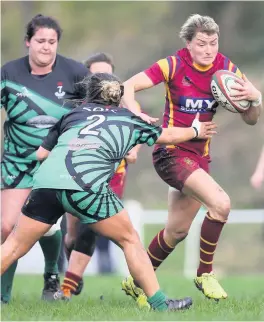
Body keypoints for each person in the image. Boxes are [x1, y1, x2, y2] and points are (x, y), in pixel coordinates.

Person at [0, 72, 216, 311]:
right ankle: (160, 304)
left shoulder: (72, 114)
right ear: (118, 97)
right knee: (130, 240)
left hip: (47, 184)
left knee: (13, 246)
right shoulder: (129, 118)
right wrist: (195, 131)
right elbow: (167, 136)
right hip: (86, 186)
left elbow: (41, 154)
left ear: (88, 94)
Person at [120, 13, 263, 306]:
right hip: (170, 153)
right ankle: (204, 273)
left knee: (176, 231)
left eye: (213, 42)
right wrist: (136, 114)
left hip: (200, 157)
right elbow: (127, 87)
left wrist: (255, 98)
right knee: (221, 204)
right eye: (201, 43)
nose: (209, 49)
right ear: (188, 43)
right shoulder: (172, 65)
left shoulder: (227, 68)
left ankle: (137, 283)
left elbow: (250, 119)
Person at [0, 14, 88, 303]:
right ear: (28, 42)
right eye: (40, 41)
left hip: (55, 163)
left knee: (47, 226)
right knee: (6, 226)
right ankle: (3, 297)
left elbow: (93, 113)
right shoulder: (8, 74)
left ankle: (52, 274)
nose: (46, 47)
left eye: (52, 42)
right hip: (18, 160)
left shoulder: (75, 72)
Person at [62, 53, 142, 298]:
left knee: (91, 227)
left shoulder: (126, 102)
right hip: (78, 175)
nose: (103, 80)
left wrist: (132, 150)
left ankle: (67, 287)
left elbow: (140, 127)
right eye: (96, 74)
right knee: (72, 234)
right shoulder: (74, 106)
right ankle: (72, 270)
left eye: (108, 74)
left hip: (113, 177)